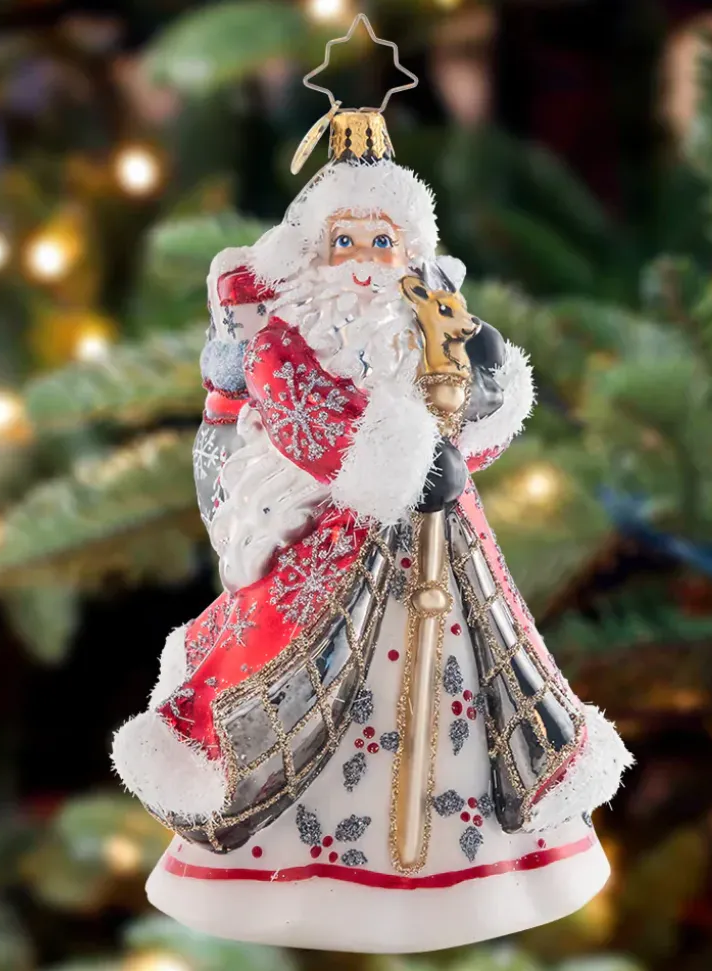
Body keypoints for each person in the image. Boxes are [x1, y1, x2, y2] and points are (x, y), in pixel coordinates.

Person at [111, 108, 632, 952]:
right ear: (315, 250)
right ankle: (295, 859)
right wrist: (393, 460)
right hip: (326, 539)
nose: (362, 262)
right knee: (299, 675)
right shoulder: (284, 338)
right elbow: (298, 412)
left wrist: (487, 392)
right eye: (345, 242)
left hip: (445, 543)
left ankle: (472, 862)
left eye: (381, 243)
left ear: (409, 251)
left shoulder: (431, 321)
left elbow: (467, 425)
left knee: (480, 669)